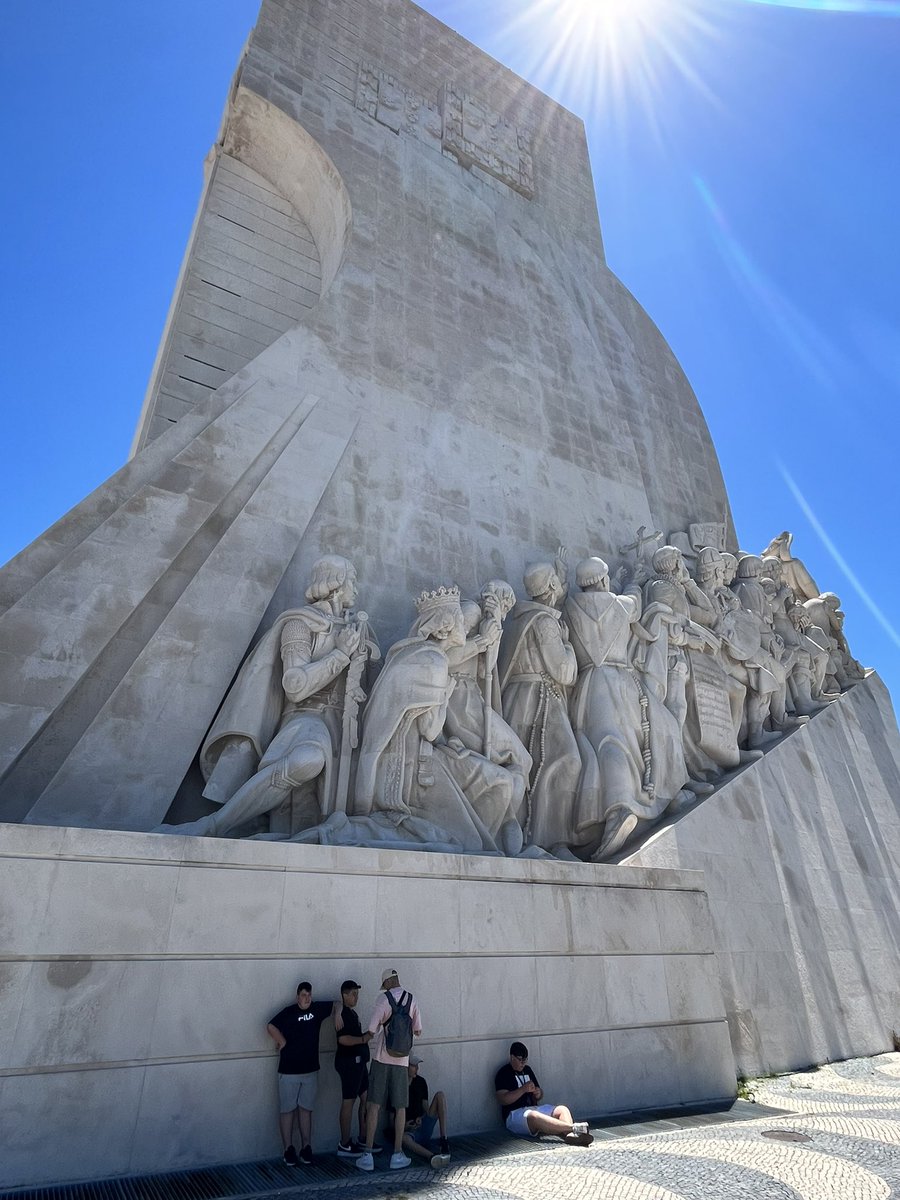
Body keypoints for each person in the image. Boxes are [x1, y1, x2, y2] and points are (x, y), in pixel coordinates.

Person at [157, 556, 375, 838]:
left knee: (306, 818)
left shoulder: (354, 627)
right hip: (306, 718)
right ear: (335, 583)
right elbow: (295, 686)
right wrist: (340, 654)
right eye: (352, 580)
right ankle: (215, 824)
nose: (356, 588)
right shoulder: (299, 623)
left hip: (344, 730)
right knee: (306, 760)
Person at [356, 968, 423, 1173]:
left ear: (387, 982)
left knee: (374, 1105)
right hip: (402, 1062)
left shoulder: (383, 1000)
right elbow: (418, 1030)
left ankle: (367, 1154)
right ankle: (397, 1154)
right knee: (400, 1107)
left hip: (381, 1060)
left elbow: (371, 1028)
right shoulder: (412, 1000)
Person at [266, 981, 338, 1166]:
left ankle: (306, 1147)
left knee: (306, 1109)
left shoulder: (317, 1009)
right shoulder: (288, 1012)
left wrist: (338, 1016)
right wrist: (281, 1041)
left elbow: (337, 1003)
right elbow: (271, 1026)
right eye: (303, 995)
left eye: (309, 995)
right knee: (287, 1110)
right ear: (297, 996)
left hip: (310, 1070)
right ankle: (288, 1148)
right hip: (289, 1071)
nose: (306, 998)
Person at [494, 1042, 593, 1145]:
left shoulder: (527, 1070)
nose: (523, 1063)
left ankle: (570, 1135)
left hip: (533, 1107)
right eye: (520, 1060)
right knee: (534, 1116)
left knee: (562, 1109)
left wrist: (538, 1093)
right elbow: (503, 1099)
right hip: (514, 1114)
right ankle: (573, 1128)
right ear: (512, 1057)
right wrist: (523, 1089)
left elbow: (540, 1094)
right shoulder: (503, 1073)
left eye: (525, 1060)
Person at [333, 979, 373, 1156]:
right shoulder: (342, 1015)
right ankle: (344, 1143)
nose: (357, 997)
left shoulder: (351, 1013)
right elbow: (342, 1039)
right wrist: (363, 1039)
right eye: (354, 993)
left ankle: (363, 1138)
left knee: (366, 1098)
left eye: (357, 993)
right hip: (349, 1063)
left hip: (360, 1063)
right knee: (348, 1101)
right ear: (345, 995)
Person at [398, 1054, 451, 1168]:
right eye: (413, 1066)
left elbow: (426, 1108)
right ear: (405, 1067)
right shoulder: (397, 1086)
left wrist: (421, 1118)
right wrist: (405, 1126)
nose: (417, 1069)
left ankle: (444, 1140)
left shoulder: (421, 1082)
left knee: (440, 1095)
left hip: (422, 1125)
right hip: (408, 1132)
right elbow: (391, 1121)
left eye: (417, 1066)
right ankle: (432, 1157)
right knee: (404, 1139)